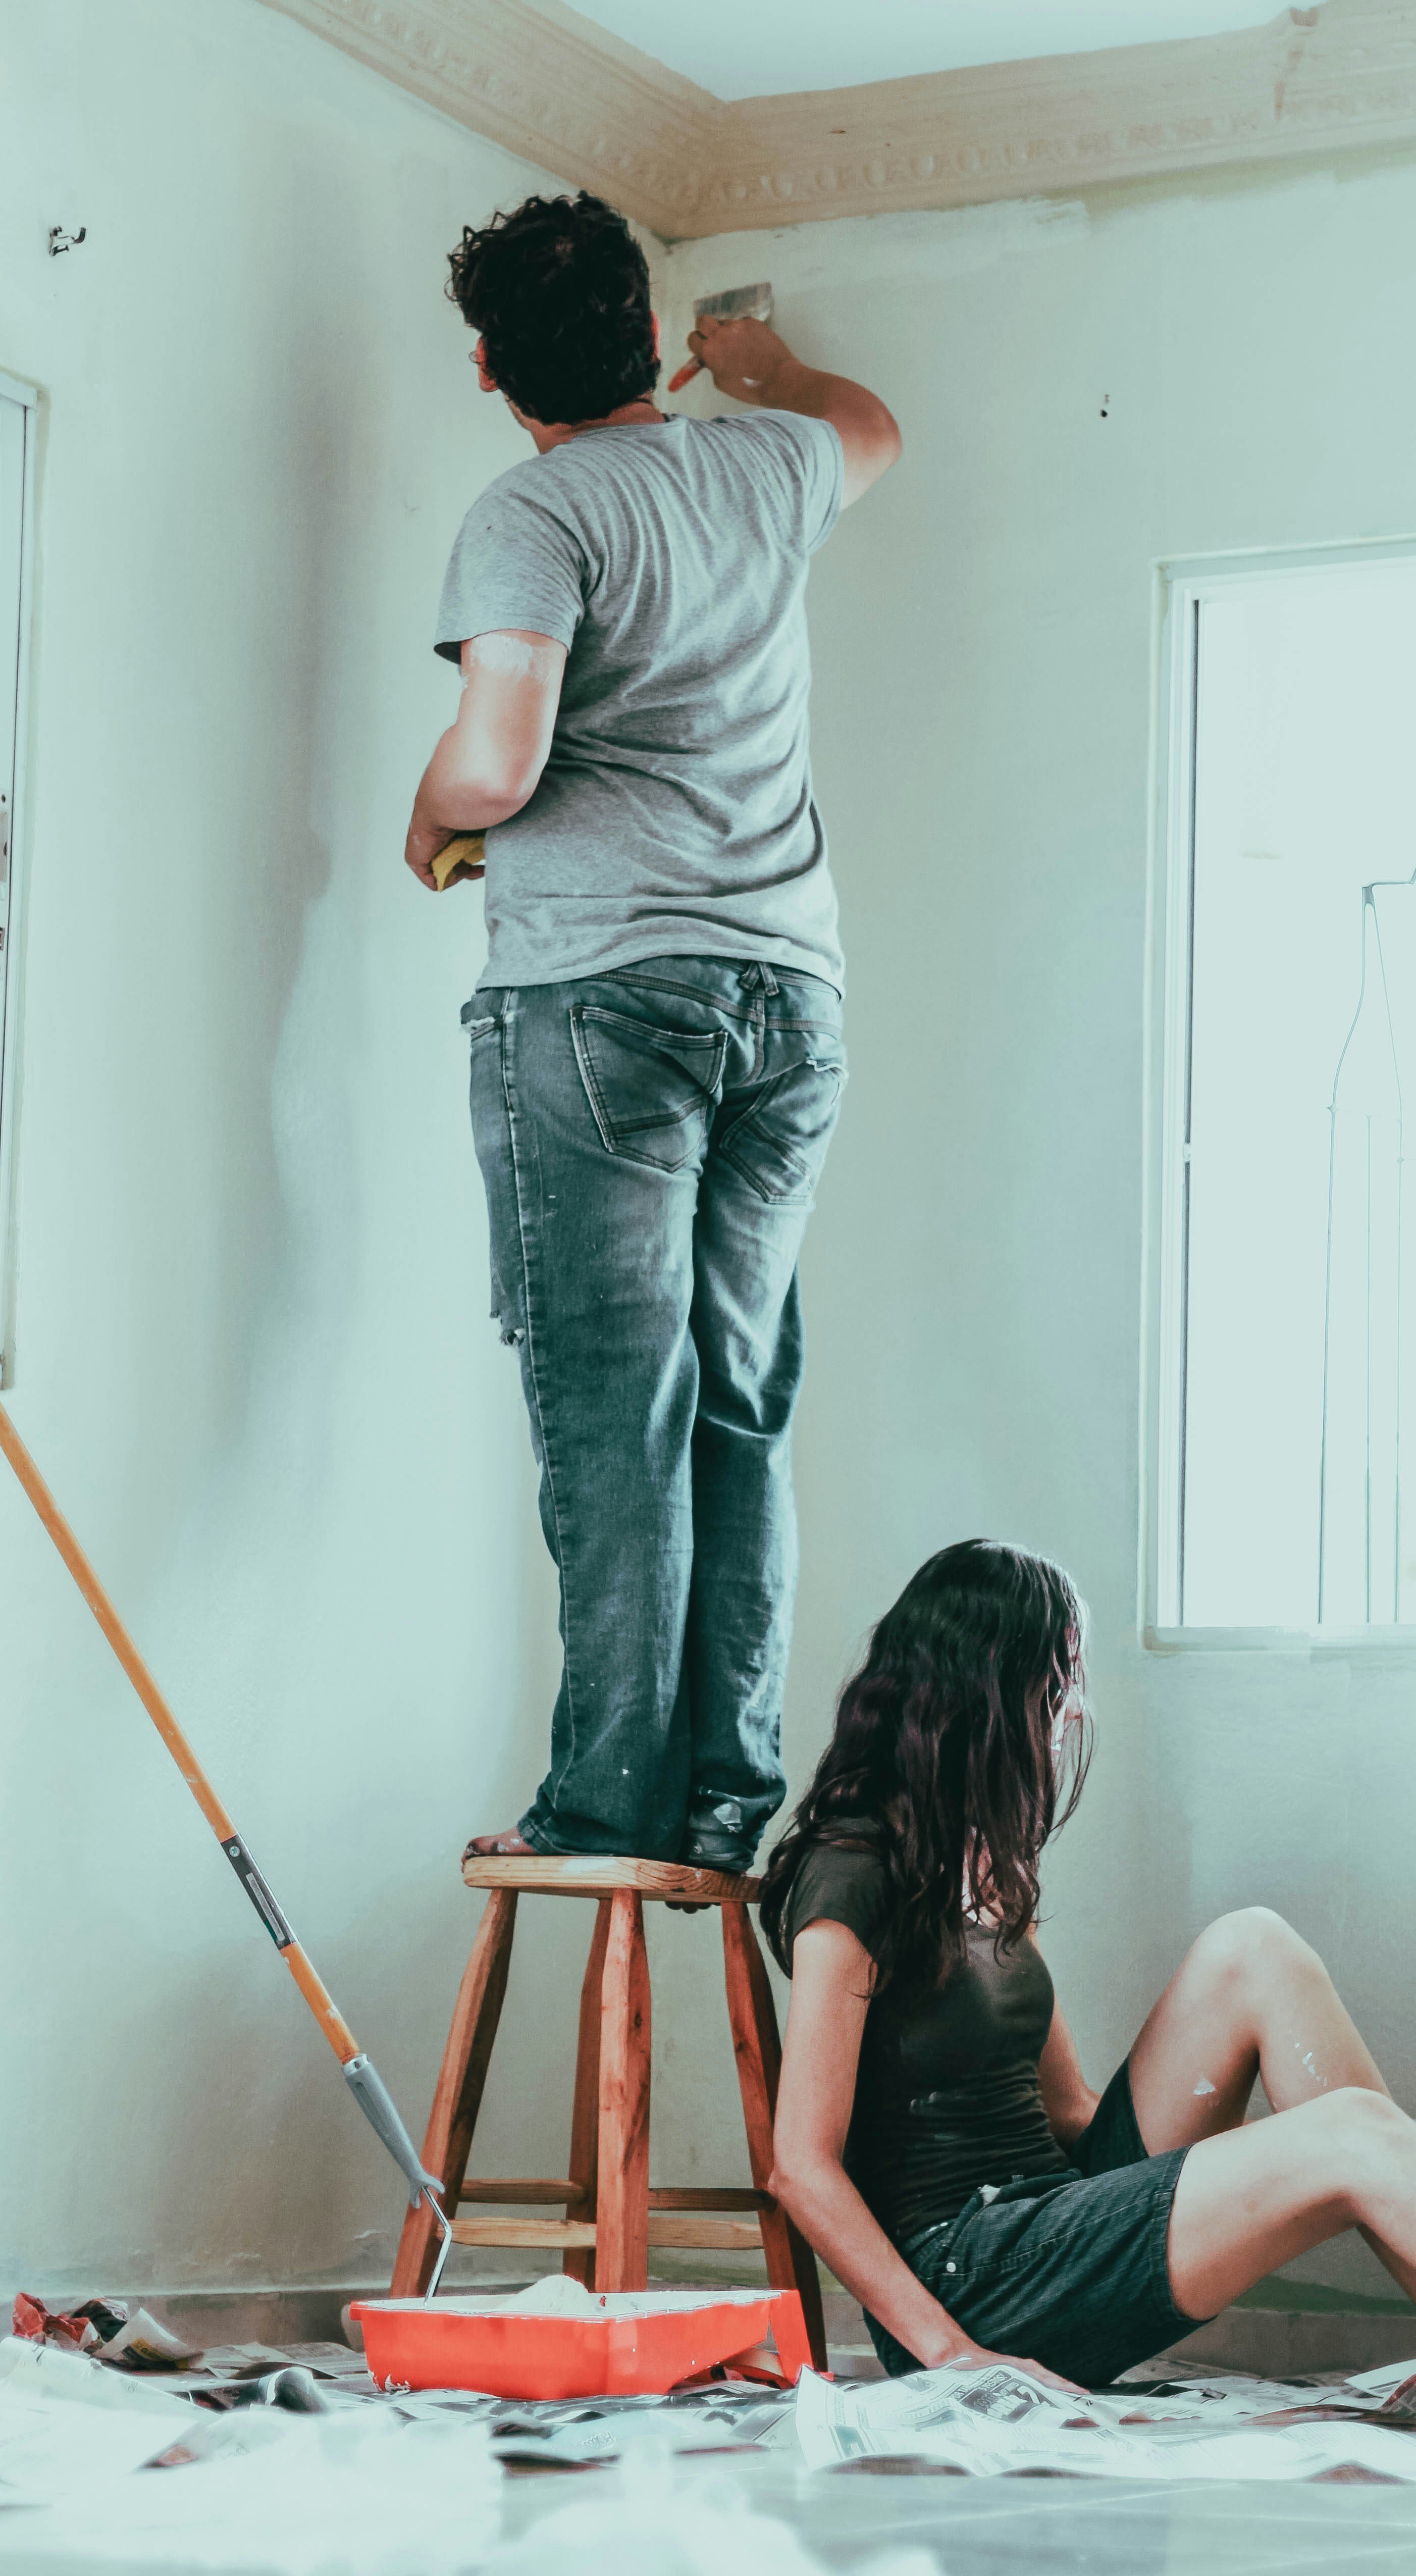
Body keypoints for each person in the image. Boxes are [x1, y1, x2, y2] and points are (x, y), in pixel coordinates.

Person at [402, 193, 900, 1871]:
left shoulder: (533, 511)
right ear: (643, 331)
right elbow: (869, 427)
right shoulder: (762, 463)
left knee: (618, 1416)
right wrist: (768, 364)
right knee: (736, 1403)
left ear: (491, 367)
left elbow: (498, 762)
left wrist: (429, 810)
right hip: (790, 1000)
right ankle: (725, 1793)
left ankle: (605, 1800)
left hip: (604, 1000)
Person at [762, 1539, 1416, 2389]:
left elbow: (1068, 2115)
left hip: (1047, 2223)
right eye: (1058, 1682)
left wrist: (1228, 2183)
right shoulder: (852, 1874)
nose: (1074, 1712)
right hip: (967, 2282)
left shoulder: (987, 1864)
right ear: (985, 1690)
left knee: (1255, 1948)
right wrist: (951, 2354)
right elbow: (801, 2166)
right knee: (1349, 2133)